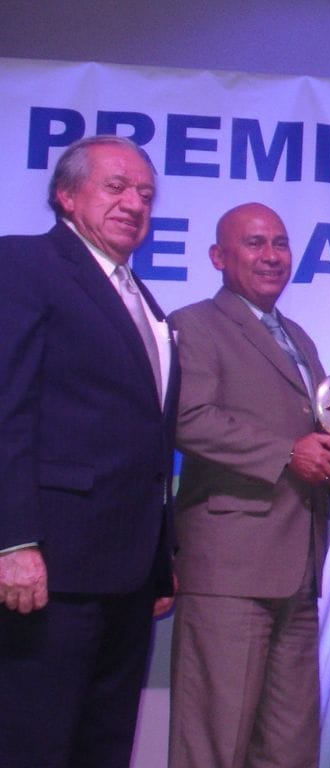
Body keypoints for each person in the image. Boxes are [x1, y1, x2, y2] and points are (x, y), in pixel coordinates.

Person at [0, 135, 178, 768]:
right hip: (52, 567)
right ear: (65, 194)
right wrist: (13, 541)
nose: (134, 203)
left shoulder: (143, 299)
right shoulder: (23, 265)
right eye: (116, 187)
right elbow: (7, 410)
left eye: (146, 195)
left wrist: (158, 561)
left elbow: (149, 443)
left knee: (103, 746)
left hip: (127, 577)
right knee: (35, 744)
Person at [169, 202, 330, 767]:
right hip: (229, 569)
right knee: (214, 742)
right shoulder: (193, 324)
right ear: (217, 257)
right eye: (254, 244)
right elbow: (187, 417)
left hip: (297, 569)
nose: (272, 255)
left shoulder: (297, 336)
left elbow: (314, 433)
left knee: (288, 747)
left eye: (280, 243)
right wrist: (287, 453)